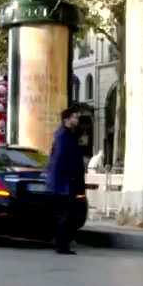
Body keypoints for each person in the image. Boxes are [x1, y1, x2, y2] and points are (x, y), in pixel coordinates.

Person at [46, 107, 85, 255]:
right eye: (75, 117)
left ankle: (61, 243)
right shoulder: (63, 136)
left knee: (68, 214)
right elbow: (62, 160)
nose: (77, 120)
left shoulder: (68, 135)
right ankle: (61, 245)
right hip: (65, 183)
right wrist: (71, 178)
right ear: (66, 119)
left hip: (66, 182)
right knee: (67, 214)